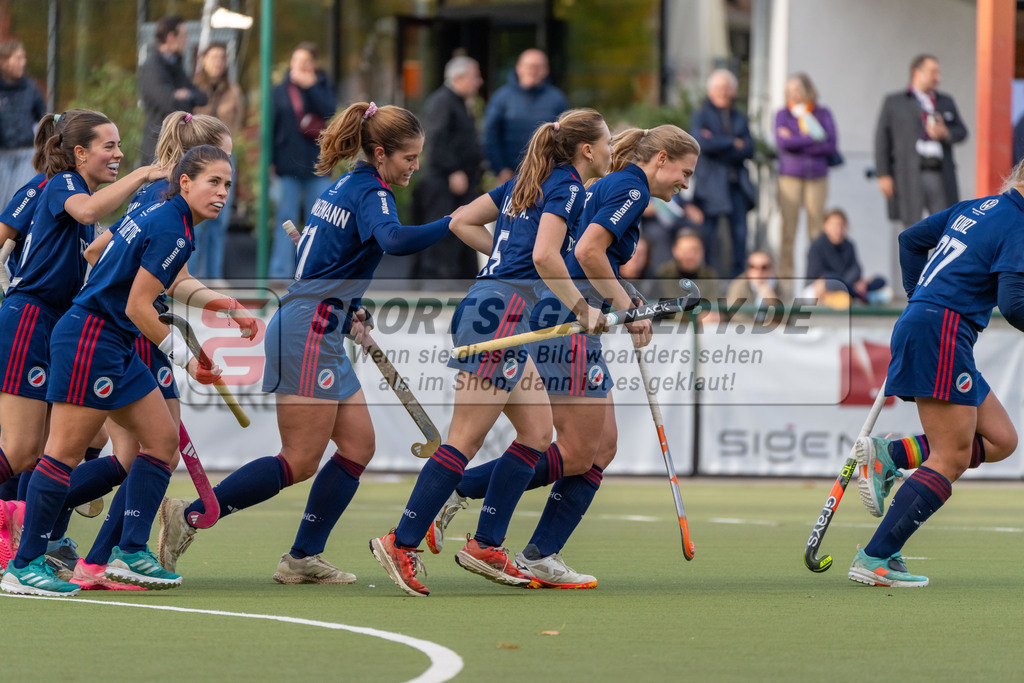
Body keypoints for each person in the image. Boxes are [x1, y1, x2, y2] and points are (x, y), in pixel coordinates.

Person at [157, 102, 461, 586]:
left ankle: (302, 558)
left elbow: (329, 260)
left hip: (323, 322)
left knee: (359, 446)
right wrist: (454, 221)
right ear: (381, 154)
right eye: (409, 157)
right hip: (307, 330)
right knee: (298, 459)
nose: (415, 166)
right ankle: (192, 516)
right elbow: (395, 240)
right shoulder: (370, 192)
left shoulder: (348, 185)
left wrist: (350, 306)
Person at [424, 125, 700, 589]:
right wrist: (628, 308)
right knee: (576, 451)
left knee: (601, 447)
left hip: (567, 314)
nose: (685, 183)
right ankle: (467, 495)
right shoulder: (630, 186)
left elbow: (592, 257)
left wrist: (625, 295)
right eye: (684, 172)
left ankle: (540, 551)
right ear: (662, 158)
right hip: (565, 320)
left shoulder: (613, 184)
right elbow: (589, 253)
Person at [370, 108, 611, 597]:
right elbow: (544, 256)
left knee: (538, 433)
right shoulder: (566, 186)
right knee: (464, 440)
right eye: (608, 142)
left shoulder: (526, 182)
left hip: (497, 305)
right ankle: (402, 540)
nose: (611, 150)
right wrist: (580, 306)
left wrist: (505, 262)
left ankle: (486, 544)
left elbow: (461, 222)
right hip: (501, 312)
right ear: (586, 149)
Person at [0, 144, 241, 595]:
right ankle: (24, 564)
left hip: (114, 341)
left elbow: (97, 255)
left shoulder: (166, 217)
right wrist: (189, 359)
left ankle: (130, 552)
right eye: (213, 181)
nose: (222, 192)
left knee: (162, 441)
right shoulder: (173, 228)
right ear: (184, 183)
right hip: (92, 338)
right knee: (63, 453)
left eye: (228, 184)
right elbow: (137, 306)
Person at [0, 111, 165, 574]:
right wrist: (145, 175)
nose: (118, 154)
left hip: (57, 324)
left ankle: (35, 536)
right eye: (108, 147)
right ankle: (26, 541)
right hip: (28, 318)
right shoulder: (63, 186)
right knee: (19, 449)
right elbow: (90, 213)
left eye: (119, 147)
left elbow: (93, 250)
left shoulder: (82, 195)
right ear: (79, 153)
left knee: (61, 443)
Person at [847, 159, 1024, 588]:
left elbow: (911, 239)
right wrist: (926, 305)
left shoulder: (976, 207)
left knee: (1001, 440)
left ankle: (891, 456)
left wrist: (916, 297)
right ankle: (876, 557)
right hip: (941, 330)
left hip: (934, 326)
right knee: (953, 457)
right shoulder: (1018, 225)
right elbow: (1014, 303)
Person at [410, 56, 485, 287]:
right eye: (475, 76)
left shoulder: (459, 102)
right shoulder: (442, 102)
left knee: (460, 238)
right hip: (443, 183)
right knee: (442, 237)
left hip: (459, 181)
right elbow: (435, 141)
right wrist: (453, 170)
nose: (479, 82)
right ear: (459, 78)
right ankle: (437, 287)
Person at [874, 54, 967, 230]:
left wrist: (945, 132)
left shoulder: (945, 101)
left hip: (939, 172)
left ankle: (940, 258)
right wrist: (883, 173)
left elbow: (962, 132)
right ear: (917, 72)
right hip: (908, 174)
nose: (937, 78)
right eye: (933, 72)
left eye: (938, 73)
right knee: (912, 227)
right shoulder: (895, 102)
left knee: (944, 224)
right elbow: (882, 141)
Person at [268, 43, 337, 281]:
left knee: (317, 222)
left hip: (317, 166)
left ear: (314, 65)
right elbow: (271, 126)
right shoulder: (280, 91)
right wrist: (270, 163)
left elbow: (330, 112)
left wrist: (313, 88)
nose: (300, 67)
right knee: (285, 220)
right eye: (296, 62)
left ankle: (314, 272)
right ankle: (280, 273)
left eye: (306, 62)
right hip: (287, 167)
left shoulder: (323, 86)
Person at [691, 69, 756, 279]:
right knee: (709, 237)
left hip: (736, 185)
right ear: (710, 91)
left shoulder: (740, 117)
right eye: (719, 88)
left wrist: (719, 144)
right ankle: (709, 281)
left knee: (740, 236)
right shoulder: (701, 114)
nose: (723, 92)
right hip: (710, 186)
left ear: (734, 91)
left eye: (727, 88)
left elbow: (749, 149)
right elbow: (703, 145)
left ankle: (737, 281)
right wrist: (731, 143)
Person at [775, 73, 838, 286]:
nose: (793, 94)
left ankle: (815, 281)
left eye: (797, 89)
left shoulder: (822, 113)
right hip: (790, 177)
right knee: (788, 231)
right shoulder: (782, 115)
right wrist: (811, 138)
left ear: (807, 90)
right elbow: (783, 145)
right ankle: (785, 282)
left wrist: (795, 140)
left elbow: (830, 145)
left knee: (816, 230)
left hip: (817, 177)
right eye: (789, 90)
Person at [191, 42, 244, 281]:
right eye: (213, 57)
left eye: (222, 58)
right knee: (195, 223)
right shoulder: (193, 88)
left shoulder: (234, 90)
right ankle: (188, 277)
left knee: (218, 224)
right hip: (199, 165)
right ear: (203, 60)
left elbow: (239, 125)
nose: (218, 62)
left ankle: (213, 278)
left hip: (224, 163)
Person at [483, 49, 569, 185]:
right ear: (519, 68)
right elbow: (490, 135)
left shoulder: (557, 99)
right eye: (528, 66)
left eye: (537, 67)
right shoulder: (501, 98)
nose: (532, 71)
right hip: (509, 176)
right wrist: (500, 169)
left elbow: (565, 138)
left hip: (547, 176)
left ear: (546, 70)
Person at [138, 16, 208, 166]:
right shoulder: (152, 67)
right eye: (183, 36)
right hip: (158, 147)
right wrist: (182, 96)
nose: (186, 41)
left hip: (180, 145)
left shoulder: (177, 66)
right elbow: (168, 102)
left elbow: (202, 97)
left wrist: (186, 94)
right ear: (171, 37)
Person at [805, 208, 889, 306]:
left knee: (880, 280)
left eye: (841, 225)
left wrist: (856, 282)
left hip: (845, 284)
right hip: (823, 285)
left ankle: (852, 294)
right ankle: (861, 295)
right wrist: (847, 281)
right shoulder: (817, 245)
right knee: (831, 281)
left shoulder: (849, 245)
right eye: (834, 225)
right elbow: (818, 273)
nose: (838, 229)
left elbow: (856, 268)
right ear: (825, 226)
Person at [0, 40, 46, 208]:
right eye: (18, 58)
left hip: (26, 154)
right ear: (4, 62)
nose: (23, 62)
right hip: (2, 154)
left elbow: (43, 118)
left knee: (20, 202)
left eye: (23, 58)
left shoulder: (30, 87)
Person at [656, 228, 719, 301]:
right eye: (685, 251)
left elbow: (714, 304)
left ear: (703, 251)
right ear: (675, 251)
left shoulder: (709, 275)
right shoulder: (664, 274)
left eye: (695, 250)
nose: (690, 256)